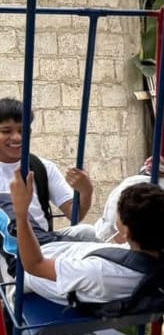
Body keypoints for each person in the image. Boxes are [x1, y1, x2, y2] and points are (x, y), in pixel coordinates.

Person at [7, 170, 164, 305]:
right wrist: (163, 180)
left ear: (127, 232)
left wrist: (22, 213)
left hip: (33, 257)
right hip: (70, 251)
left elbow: (34, 265)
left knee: (4, 203)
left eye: (118, 214)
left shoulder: (100, 273)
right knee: (86, 231)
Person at [0, 97, 94, 241]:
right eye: (6, 131)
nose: (17, 137)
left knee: (87, 232)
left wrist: (86, 191)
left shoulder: (41, 167)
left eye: (23, 130)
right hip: (6, 245)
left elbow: (74, 214)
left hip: (42, 240)